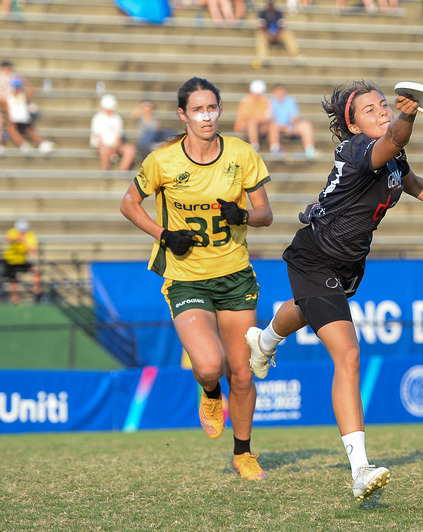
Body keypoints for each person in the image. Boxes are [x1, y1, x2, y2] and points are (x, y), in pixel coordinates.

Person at [244, 80, 423, 501]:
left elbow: (412, 182)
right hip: (315, 257)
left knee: (307, 310)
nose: (381, 111)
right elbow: (395, 138)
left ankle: (264, 339)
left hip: (346, 262)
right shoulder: (358, 150)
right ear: (352, 124)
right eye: (370, 109)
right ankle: (360, 468)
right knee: (347, 353)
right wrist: (406, 116)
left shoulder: (391, 155)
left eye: (383, 104)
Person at [119, 77, 274, 480]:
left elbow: (265, 214)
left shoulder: (241, 154)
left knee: (241, 373)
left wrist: (243, 216)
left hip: (236, 277)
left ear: (220, 109)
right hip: (186, 278)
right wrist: (164, 234)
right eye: (198, 110)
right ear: (183, 115)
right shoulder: (163, 160)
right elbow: (128, 204)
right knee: (210, 366)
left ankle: (243, 453)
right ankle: (209, 393)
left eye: (212, 108)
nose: (206, 116)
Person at [6, 77, 54, 154]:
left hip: (23, 119)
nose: (16, 89)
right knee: (11, 129)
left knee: (30, 131)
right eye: (15, 87)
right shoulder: (7, 97)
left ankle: (41, 144)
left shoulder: (22, 96)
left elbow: (32, 90)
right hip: (14, 121)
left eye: (17, 87)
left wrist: (25, 82)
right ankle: (23, 145)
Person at [267, 83, 315, 159]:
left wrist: (290, 126)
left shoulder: (291, 101)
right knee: (273, 126)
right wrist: (283, 127)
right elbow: (270, 118)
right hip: (277, 126)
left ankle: (309, 150)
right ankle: (276, 149)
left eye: (281, 90)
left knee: (306, 125)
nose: (280, 93)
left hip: (290, 126)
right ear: (274, 92)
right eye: (278, 91)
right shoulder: (269, 102)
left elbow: (294, 117)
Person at [91, 94, 136, 171]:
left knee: (130, 149)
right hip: (102, 146)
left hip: (115, 146)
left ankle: (122, 172)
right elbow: (98, 138)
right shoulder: (97, 118)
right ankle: (107, 173)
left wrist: (115, 147)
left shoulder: (117, 118)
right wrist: (108, 148)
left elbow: (119, 135)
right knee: (103, 150)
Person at [3, 219, 42, 304]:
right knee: (13, 279)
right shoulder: (13, 232)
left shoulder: (29, 235)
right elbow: (6, 238)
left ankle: (36, 293)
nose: (22, 232)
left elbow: (33, 250)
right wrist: (17, 239)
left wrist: (25, 242)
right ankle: (14, 299)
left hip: (22, 260)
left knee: (36, 272)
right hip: (11, 260)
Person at [234, 79, 272, 153]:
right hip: (245, 126)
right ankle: (255, 147)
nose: (257, 96)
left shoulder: (266, 101)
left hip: (260, 126)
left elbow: (268, 117)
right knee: (252, 123)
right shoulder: (246, 101)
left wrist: (258, 119)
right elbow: (246, 118)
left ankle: (275, 147)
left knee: (273, 125)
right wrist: (259, 119)